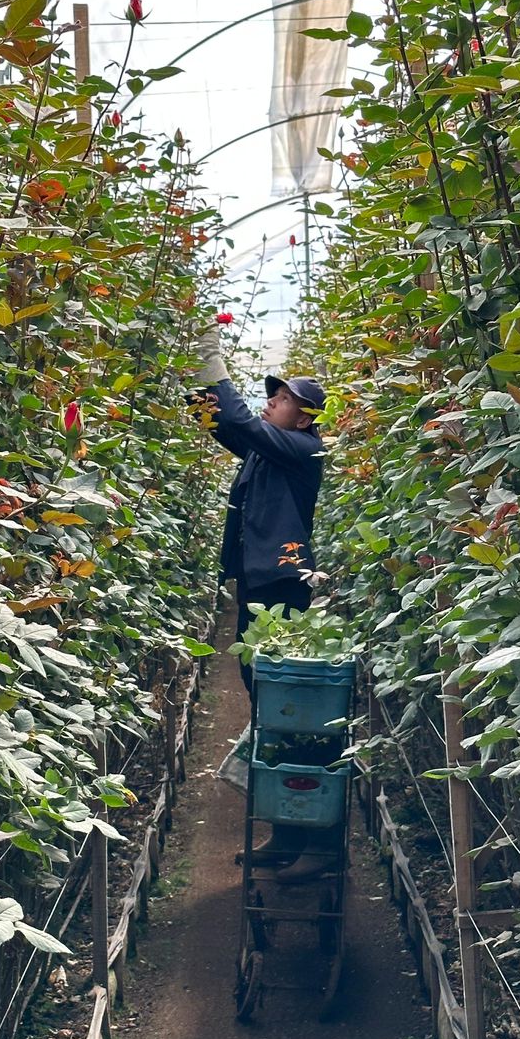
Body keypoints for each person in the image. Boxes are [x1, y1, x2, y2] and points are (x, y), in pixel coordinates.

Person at [192, 327, 328, 879]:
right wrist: (200, 383)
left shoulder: (303, 448)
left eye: (282, 398)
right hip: (258, 583)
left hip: (282, 586)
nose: (271, 401)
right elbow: (224, 424)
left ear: (304, 417)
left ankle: (314, 840)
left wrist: (213, 363)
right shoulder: (268, 453)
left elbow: (244, 422)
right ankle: (287, 831)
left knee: (289, 704)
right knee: (268, 700)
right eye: (271, 395)